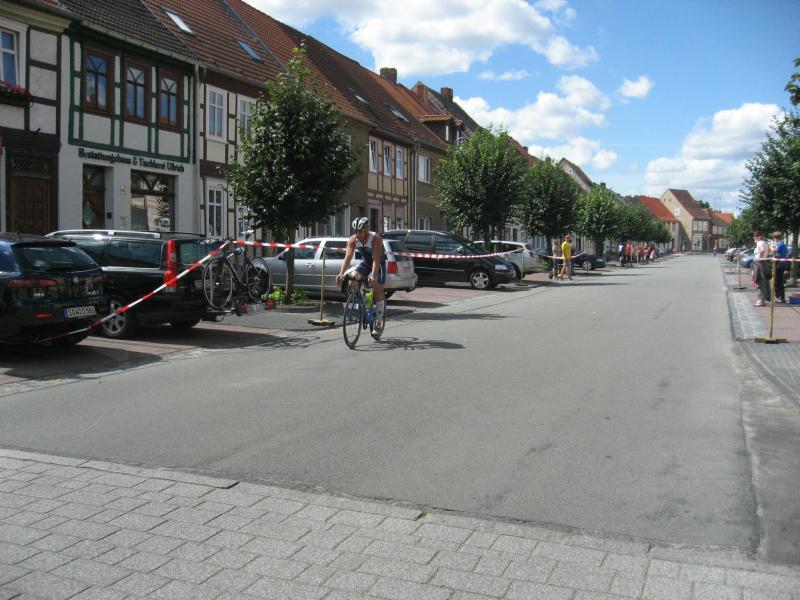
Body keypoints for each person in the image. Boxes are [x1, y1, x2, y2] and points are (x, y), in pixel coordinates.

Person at [336, 217, 386, 330]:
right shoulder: (353, 240)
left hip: (379, 263)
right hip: (366, 262)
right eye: (355, 231)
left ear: (366, 230)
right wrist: (341, 274)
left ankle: (378, 321)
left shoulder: (375, 239)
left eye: (360, 232)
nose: (357, 234)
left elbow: (376, 260)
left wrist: (373, 276)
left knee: (378, 288)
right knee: (352, 282)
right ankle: (364, 301)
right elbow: (347, 258)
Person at [751, 230, 771, 307]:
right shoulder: (765, 243)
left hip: (759, 263)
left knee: (758, 281)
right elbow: (770, 251)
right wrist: (764, 256)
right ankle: (764, 299)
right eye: (754, 236)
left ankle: (761, 300)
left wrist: (759, 257)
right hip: (764, 263)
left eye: (756, 236)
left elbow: (762, 250)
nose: (755, 237)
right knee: (764, 282)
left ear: (760, 236)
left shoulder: (759, 243)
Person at [772, 231, 788, 303]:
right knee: (780, 281)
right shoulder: (783, 245)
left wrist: (770, 248)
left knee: (777, 281)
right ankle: (782, 297)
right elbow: (786, 254)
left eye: (773, 238)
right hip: (783, 264)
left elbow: (775, 251)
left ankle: (778, 297)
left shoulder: (779, 244)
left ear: (775, 238)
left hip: (779, 264)